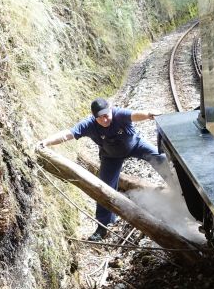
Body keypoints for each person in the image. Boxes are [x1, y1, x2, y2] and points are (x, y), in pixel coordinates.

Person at [38, 97, 167, 241]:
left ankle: (179, 187)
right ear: (94, 117)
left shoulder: (119, 114)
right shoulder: (89, 125)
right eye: (100, 118)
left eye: (106, 115)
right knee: (104, 188)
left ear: (110, 109)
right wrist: (46, 142)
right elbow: (68, 134)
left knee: (162, 159)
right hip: (110, 156)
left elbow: (135, 115)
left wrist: (149, 114)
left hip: (135, 146)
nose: (104, 120)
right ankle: (103, 226)